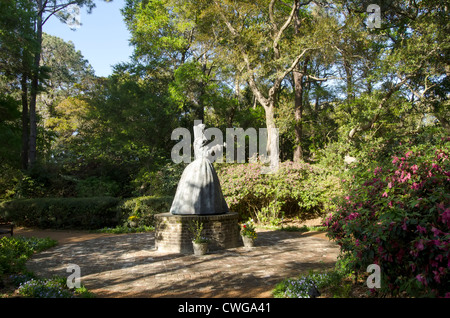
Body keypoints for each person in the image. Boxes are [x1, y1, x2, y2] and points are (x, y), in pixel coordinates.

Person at [170, 122, 229, 215]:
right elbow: (206, 154)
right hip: (201, 164)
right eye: (203, 130)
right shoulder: (198, 141)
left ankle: (206, 207)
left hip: (204, 164)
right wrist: (217, 147)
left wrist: (218, 147)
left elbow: (208, 153)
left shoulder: (202, 141)